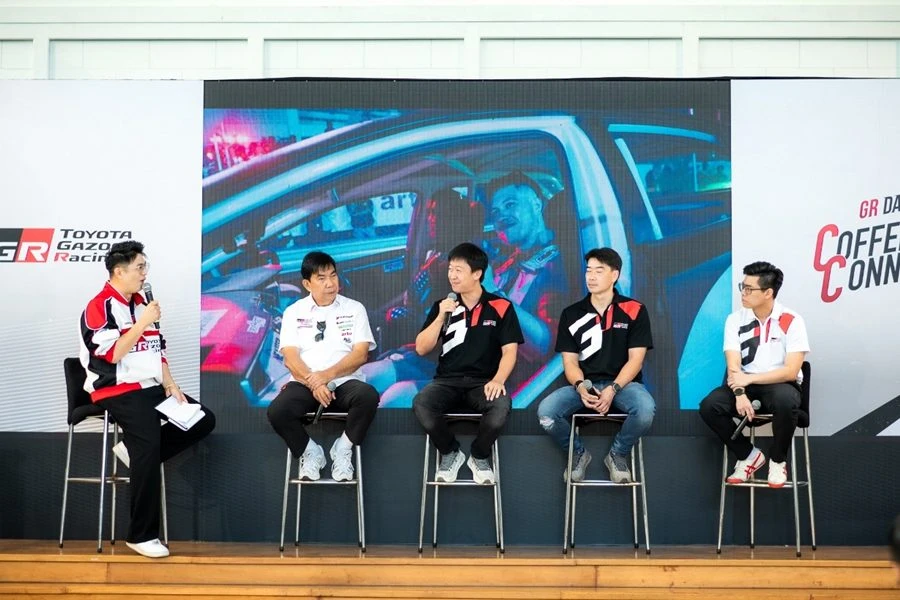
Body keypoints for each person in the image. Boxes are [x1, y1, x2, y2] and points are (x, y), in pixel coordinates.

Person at [79, 241, 216, 558]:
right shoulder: (99, 306)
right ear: (119, 271)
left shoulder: (143, 303)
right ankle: (141, 535)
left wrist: (170, 384)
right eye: (139, 267)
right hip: (116, 389)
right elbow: (113, 354)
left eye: (145, 267)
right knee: (149, 445)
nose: (145, 274)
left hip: (149, 386)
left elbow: (157, 350)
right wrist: (142, 323)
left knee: (201, 419)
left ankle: (134, 451)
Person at [536, 248, 656, 483]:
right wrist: (580, 386)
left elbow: (636, 360)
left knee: (645, 411)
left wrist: (613, 388)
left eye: (599, 271)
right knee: (546, 412)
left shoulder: (634, 310)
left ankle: (617, 453)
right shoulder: (572, 314)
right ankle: (578, 453)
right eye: (588, 270)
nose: (591, 276)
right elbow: (570, 361)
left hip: (624, 385)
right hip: (585, 385)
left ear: (614, 275)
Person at [412, 242, 523, 484]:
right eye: (450, 269)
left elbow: (510, 352)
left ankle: (479, 456)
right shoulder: (443, 305)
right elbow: (421, 348)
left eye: (458, 270)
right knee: (422, 403)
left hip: (483, 382)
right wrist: (441, 316)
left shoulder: (500, 306)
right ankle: (450, 452)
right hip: (447, 381)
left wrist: (498, 380)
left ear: (477, 273)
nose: (452, 275)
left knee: (500, 408)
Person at [267, 251, 379, 482]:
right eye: (322, 278)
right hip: (305, 383)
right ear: (307, 284)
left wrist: (325, 377)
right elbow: (290, 358)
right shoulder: (293, 312)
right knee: (278, 411)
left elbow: (360, 354)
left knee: (368, 396)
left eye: (333, 275)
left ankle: (343, 449)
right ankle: (311, 452)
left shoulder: (354, 308)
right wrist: (314, 382)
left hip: (345, 381)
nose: (330, 283)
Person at [699, 261, 809, 488]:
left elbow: (790, 371)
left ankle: (777, 460)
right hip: (744, 385)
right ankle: (748, 455)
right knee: (710, 405)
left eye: (750, 289)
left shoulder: (792, 320)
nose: (743, 293)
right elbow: (733, 364)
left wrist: (748, 379)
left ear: (768, 292)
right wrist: (740, 393)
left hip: (779, 384)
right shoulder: (735, 319)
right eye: (743, 286)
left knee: (785, 400)